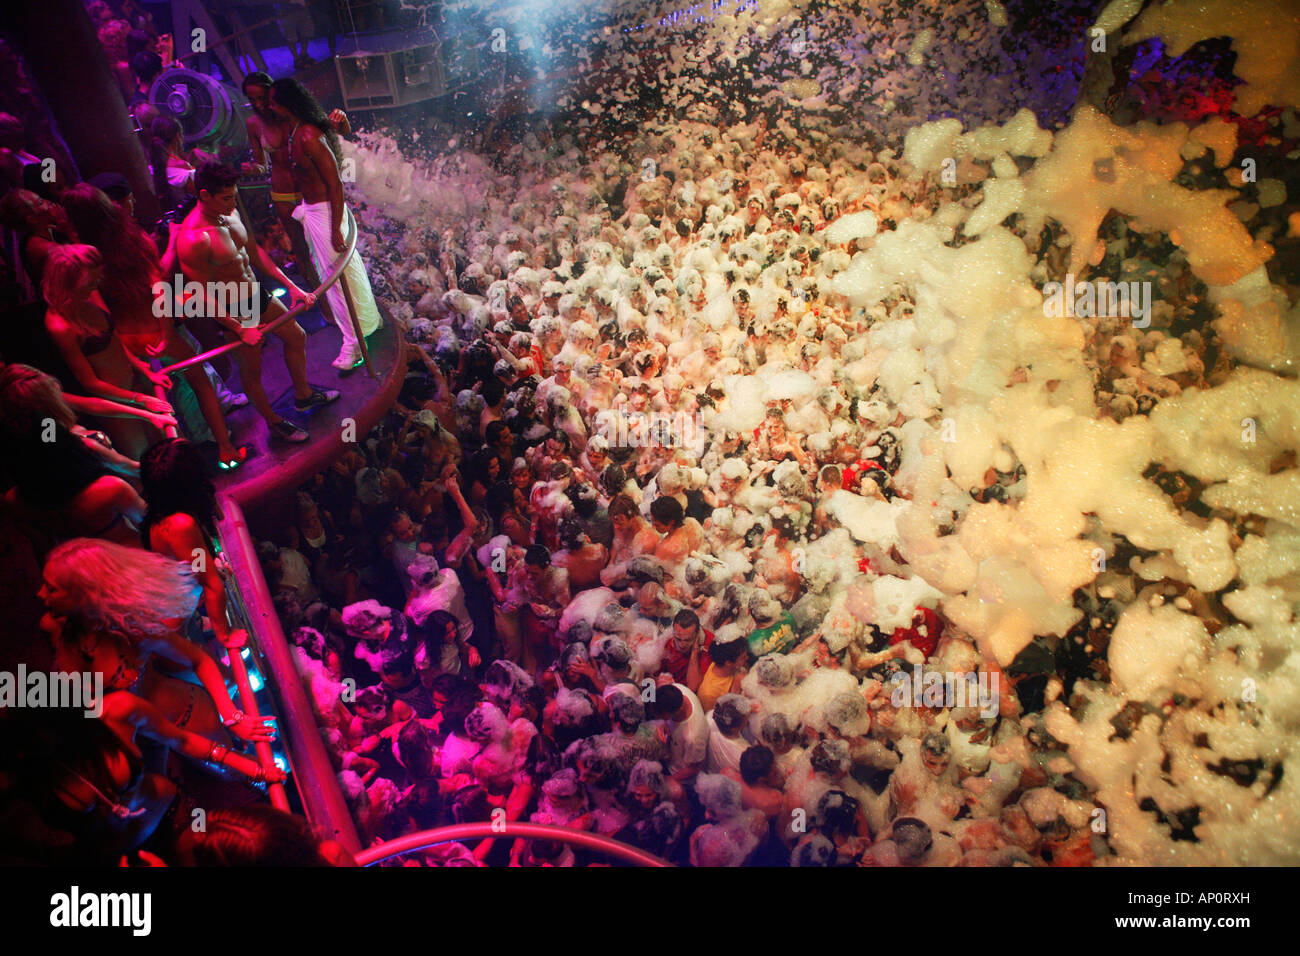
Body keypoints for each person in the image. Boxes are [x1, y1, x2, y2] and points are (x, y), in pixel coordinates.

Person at [61, 183, 243, 468]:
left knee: (157, 406)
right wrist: (166, 331)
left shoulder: (85, 257)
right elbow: (159, 289)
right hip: (156, 331)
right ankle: (226, 449)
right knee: (200, 383)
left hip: (125, 339)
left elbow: (103, 314)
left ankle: (183, 466)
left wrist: (130, 356)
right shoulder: (134, 240)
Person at [173, 161, 337, 445]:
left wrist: (292, 286)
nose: (232, 202)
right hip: (232, 308)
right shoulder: (193, 239)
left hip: (256, 292)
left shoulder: (231, 212)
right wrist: (238, 328)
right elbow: (200, 293)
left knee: (296, 336)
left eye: (233, 195)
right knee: (252, 372)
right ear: (204, 195)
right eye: (225, 198)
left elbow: (253, 252)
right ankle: (274, 423)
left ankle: (303, 395)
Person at [269, 77, 381, 371]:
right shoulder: (296, 131)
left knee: (337, 281)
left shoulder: (308, 136)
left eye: (272, 102)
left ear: (285, 104)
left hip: (326, 212)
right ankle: (366, 323)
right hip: (315, 211)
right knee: (339, 275)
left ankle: (353, 344)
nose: (269, 108)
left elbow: (335, 184)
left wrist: (333, 229)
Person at [42, 243, 170, 458]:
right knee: (143, 458)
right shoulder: (60, 325)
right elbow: (90, 383)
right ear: (66, 282)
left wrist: (144, 369)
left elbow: (113, 338)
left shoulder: (89, 294)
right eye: (89, 284)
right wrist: (137, 399)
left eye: (97, 280)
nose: (96, 286)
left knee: (167, 444)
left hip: (136, 382)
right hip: (115, 402)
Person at [0, 364, 147, 544]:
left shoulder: (14, 501)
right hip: (128, 553)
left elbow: (42, 544)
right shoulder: (109, 486)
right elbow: (131, 471)